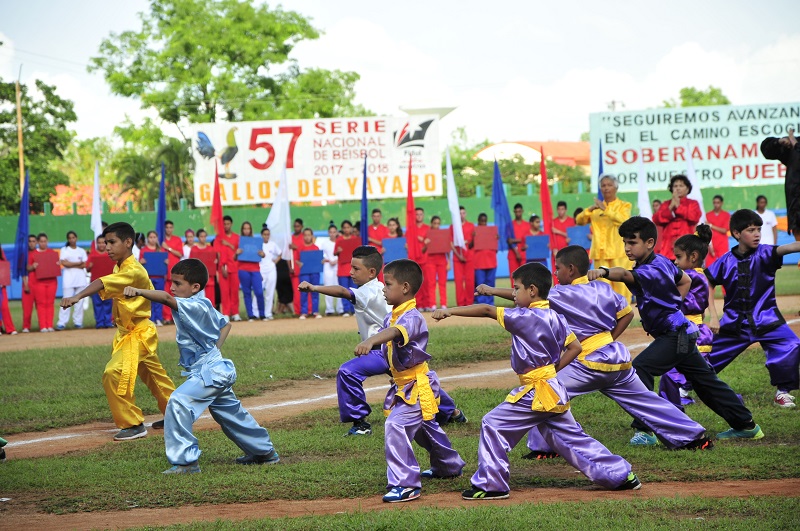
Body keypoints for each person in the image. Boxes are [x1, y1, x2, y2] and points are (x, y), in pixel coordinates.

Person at [434, 262, 641, 500]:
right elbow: (575, 347)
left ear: (532, 290)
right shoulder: (556, 316)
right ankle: (620, 474)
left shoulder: (526, 316)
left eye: (516, 288)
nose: (513, 293)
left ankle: (491, 485)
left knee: (492, 423)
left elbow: (487, 310)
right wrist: (555, 368)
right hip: (553, 386)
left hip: (537, 391)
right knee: (572, 437)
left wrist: (450, 310)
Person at [477, 246, 710, 453]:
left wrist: (492, 290)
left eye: (557, 269)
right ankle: (692, 436)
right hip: (616, 357)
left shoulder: (559, 293)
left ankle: (544, 447)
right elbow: (627, 313)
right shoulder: (604, 288)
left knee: (545, 387)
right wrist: (608, 338)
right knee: (645, 400)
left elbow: (527, 296)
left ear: (570, 269)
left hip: (587, 364)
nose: (555, 274)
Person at [591, 216, 764, 441]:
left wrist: (603, 271)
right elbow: (685, 281)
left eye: (632, 242)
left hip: (675, 335)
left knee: (641, 367)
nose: (627, 248)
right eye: (625, 242)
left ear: (650, 242)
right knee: (706, 383)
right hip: (680, 333)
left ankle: (645, 430)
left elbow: (624, 275)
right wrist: (674, 305)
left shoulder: (650, 269)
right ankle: (747, 425)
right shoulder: (662, 262)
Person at [122, 258, 279, 474]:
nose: (172, 287)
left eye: (178, 283)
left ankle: (186, 462)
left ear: (195, 287)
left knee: (178, 401)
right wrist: (214, 351)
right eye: (172, 282)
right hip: (213, 368)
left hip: (210, 371)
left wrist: (139, 291)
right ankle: (264, 453)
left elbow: (167, 298)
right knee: (229, 412)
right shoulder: (204, 302)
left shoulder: (194, 304)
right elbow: (226, 325)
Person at [299, 247, 466, 436]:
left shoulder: (368, 292)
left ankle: (360, 424)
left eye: (356, 268)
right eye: (351, 267)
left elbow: (343, 291)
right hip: (397, 350)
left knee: (347, 371)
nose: (350, 272)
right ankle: (452, 412)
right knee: (418, 382)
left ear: (371, 272)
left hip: (383, 350)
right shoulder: (381, 287)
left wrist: (314, 288)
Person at [354, 259, 466, 503]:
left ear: (405, 287)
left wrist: (371, 340)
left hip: (417, 385)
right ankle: (449, 465)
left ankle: (406, 484)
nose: (383, 289)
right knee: (426, 429)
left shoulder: (412, 317)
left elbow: (395, 333)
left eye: (388, 284)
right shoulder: (391, 316)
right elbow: (391, 347)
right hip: (404, 385)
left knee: (396, 425)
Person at [60, 222, 176, 441]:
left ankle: (133, 424)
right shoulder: (121, 266)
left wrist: (77, 296)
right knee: (154, 375)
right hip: (130, 333)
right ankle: (178, 414)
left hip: (138, 333)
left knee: (114, 373)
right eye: (105, 243)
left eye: (112, 242)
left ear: (128, 242)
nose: (107, 247)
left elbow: (102, 282)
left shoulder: (132, 270)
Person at [705, 209, 800, 409]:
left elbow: (790, 247)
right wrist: (713, 316)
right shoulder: (725, 261)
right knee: (706, 355)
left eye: (758, 229)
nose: (757, 234)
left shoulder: (766, 253)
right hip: (734, 324)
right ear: (737, 234)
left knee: (791, 344)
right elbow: (708, 282)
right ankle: (683, 388)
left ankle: (782, 393)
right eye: (751, 230)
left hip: (768, 321)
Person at [658, 226, 716, 409]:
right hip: (696, 330)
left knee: (671, 373)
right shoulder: (699, 275)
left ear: (693, 257)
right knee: (704, 377)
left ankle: (672, 405)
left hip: (691, 332)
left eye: (678, 257)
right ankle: (730, 401)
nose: (675, 261)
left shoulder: (690, 276)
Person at [576, 174, 633, 302]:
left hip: (618, 253)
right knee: (602, 289)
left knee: (621, 286)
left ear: (616, 188)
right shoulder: (595, 210)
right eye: (603, 185)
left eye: (609, 185)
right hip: (599, 254)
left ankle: (625, 315)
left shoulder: (624, 206)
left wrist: (605, 209)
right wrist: (590, 209)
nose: (606, 188)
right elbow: (579, 220)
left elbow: (625, 221)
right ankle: (606, 318)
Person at [761, 127, 800, 241]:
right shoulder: (793, 145)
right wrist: (779, 142)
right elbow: (766, 150)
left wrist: (795, 144)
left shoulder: (795, 144)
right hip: (797, 210)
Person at [652, 174, 702, 261]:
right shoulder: (666, 204)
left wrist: (678, 206)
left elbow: (694, 217)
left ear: (687, 189)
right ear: (671, 189)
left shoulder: (693, 203)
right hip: (668, 249)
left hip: (687, 246)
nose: (678, 188)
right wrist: (671, 206)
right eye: (675, 186)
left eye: (681, 186)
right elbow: (656, 219)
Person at [56, 231, 88, 331]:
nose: (72, 239)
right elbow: (64, 263)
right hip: (68, 279)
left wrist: (72, 263)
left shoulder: (81, 251)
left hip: (80, 279)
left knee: (80, 301)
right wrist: (77, 263)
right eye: (70, 238)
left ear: (76, 238)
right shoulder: (64, 250)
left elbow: (84, 264)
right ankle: (62, 322)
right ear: (68, 239)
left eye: (73, 237)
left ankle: (78, 322)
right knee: (66, 300)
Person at [29, 233, 59, 333]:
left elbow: (56, 266)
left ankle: (50, 325)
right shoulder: (34, 254)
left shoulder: (52, 253)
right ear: (38, 242)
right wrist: (33, 266)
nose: (43, 243)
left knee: (50, 303)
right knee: (41, 304)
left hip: (52, 281)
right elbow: (27, 268)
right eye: (41, 241)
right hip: (39, 282)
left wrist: (57, 264)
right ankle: (43, 326)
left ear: (47, 241)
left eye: (45, 241)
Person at [237, 221, 265, 321]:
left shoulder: (255, 241)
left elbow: (262, 255)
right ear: (242, 230)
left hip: (255, 269)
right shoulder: (239, 241)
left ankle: (262, 314)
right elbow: (234, 257)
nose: (246, 230)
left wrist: (262, 254)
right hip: (243, 269)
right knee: (247, 292)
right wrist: (237, 253)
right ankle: (250, 315)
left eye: (248, 228)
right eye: (244, 228)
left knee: (259, 292)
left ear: (251, 229)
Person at [215, 216, 242, 321]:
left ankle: (235, 312)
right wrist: (221, 267)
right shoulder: (219, 238)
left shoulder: (237, 237)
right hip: (223, 268)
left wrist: (229, 244)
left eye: (228, 224)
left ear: (231, 224)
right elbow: (217, 253)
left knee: (235, 291)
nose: (226, 226)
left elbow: (239, 251)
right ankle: (226, 312)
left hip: (235, 267)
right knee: (224, 292)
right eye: (224, 224)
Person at [86, 235, 114, 329]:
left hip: (108, 283)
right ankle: (99, 322)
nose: (101, 245)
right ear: (96, 244)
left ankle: (107, 321)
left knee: (108, 303)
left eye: (103, 242)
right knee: (97, 303)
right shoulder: (92, 255)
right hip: (95, 284)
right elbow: (87, 268)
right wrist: (89, 266)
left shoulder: (111, 254)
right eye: (99, 243)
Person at [140, 231, 166, 326]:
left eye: (154, 237)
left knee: (159, 299)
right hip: (148, 278)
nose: (153, 239)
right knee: (149, 299)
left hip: (159, 277)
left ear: (157, 238)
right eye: (151, 237)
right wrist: (141, 261)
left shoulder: (161, 250)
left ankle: (158, 318)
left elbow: (164, 264)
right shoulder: (144, 250)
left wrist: (165, 262)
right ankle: (151, 318)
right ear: (148, 238)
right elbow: (139, 265)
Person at [423, 215, 449, 310]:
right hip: (431, 261)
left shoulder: (443, 234)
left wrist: (449, 262)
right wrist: (426, 243)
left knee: (442, 282)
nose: (436, 225)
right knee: (431, 283)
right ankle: (432, 304)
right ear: (431, 224)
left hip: (442, 260)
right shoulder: (428, 234)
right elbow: (423, 250)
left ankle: (443, 303)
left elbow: (447, 249)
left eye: (438, 223)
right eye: (435, 223)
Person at [161, 220, 184, 325]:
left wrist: (168, 248)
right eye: (167, 227)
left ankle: (177, 317)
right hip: (164, 273)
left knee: (177, 296)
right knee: (166, 295)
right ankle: (166, 317)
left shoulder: (177, 239)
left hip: (176, 273)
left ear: (173, 228)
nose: (169, 229)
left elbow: (180, 254)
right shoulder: (161, 240)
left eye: (170, 227)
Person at [451, 206, 475, 307]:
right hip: (458, 259)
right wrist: (458, 255)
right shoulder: (453, 227)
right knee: (459, 281)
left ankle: (469, 302)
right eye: (460, 213)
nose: (462, 215)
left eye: (463, 213)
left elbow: (473, 242)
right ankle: (460, 304)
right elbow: (451, 243)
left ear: (466, 214)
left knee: (470, 281)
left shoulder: (471, 226)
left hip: (469, 257)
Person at [334, 220, 359, 316]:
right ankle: (345, 310)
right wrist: (338, 251)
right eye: (344, 227)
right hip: (342, 269)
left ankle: (353, 310)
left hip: (353, 269)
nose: (346, 229)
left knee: (353, 290)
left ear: (351, 228)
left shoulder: (355, 239)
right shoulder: (339, 240)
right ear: (342, 229)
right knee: (344, 290)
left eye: (348, 227)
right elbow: (334, 253)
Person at [296, 228, 322, 319]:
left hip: (315, 272)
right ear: (303, 236)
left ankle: (315, 311)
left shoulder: (316, 248)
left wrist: (321, 262)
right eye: (305, 235)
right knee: (304, 292)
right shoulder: (300, 248)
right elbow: (296, 260)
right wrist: (299, 263)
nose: (307, 237)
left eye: (309, 235)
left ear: (312, 236)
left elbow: (319, 260)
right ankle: (304, 312)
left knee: (315, 291)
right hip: (304, 273)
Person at [318, 223, 343, 316]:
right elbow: (322, 255)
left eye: (334, 232)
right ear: (328, 233)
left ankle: (340, 309)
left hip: (338, 265)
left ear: (337, 232)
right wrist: (326, 260)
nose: (332, 234)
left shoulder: (339, 242)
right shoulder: (324, 243)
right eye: (330, 232)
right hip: (328, 266)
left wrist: (336, 260)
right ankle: (329, 309)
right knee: (328, 286)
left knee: (339, 286)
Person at [472, 213, 497, 304]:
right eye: (481, 221)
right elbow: (470, 246)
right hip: (479, 263)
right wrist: (473, 237)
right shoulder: (475, 232)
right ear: (478, 222)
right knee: (480, 284)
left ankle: (490, 303)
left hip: (491, 261)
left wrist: (495, 239)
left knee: (490, 283)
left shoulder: (491, 232)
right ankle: (480, 303)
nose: (483, 223)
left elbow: (496, 249)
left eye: (485, 221)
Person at [412, 208, 433, 310]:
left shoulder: (428, 228)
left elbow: (433, 242)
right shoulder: (411, 229)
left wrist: (425, 240)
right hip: (414, 260)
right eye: (417, 214)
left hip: (427, 259)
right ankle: (419, 304)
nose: (419, 216)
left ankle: (428, 304)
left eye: (420, 214)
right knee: (416, 282)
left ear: (423, 215)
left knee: (427, 282)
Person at [190, 229, 217, 305]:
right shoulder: (194, 249)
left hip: (209, 277)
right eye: (201, 236)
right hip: (197, 278)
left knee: (210, 299)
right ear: (198, 237)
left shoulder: (211, 249)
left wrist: (215, 262)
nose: (203, 238)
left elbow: (214, 261)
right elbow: (191, 263)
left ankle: (210, 315)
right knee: (198, 299)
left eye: (205, 236)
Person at [259, 226, 281, 320]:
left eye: (268, 234)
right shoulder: (259, 244)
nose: (266, 236)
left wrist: (275, 262)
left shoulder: (273, 244)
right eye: (264, 234)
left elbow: (280, 253)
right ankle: (257, 312)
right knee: (259, 292)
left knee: (270, 292)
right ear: (261, 235)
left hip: (271, 270)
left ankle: (268, 313)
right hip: (261, 270)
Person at [705, 195, 731, 267]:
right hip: (711, 245)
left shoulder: (726, 215)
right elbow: (706, 232)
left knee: (723, 266)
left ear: (722, 203)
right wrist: (709, 246)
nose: (716, 205)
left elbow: (724, 230)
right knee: (709, 268)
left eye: (718, 203)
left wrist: (711, 225)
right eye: (714, 203)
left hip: (722, 245)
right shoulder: (708, 215)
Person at [507, 203, 529, 285]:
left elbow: (527, 239)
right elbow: (509, 241)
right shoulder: (510, 225)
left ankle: (524, 297)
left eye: (519, 211)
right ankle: (514, 297)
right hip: (512, 255)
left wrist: (515, 240)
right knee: (513, 278)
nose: (518, 213)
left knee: (525, 278)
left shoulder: (527, 225)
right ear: (514, 212)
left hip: (524, 254)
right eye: (516, 212)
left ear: (522, 211)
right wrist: (518, 242)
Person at [21, 235, 37, 332]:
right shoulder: (24, 255)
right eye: (29, 241)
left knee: (41, 306)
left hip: (39, 283)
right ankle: (26, 326)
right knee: (27, 307)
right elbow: (23, 270)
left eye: (33, 241)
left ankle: (44, 325)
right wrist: (25, 284)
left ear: (36, 242)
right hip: (28, 282)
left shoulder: (40, 253)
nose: (31, 243)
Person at [289, 218, 305, 316]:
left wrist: (296, 248)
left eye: (298, 226)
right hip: (294, 269)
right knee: (296, 291)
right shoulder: (290, 238)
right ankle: (297, 311)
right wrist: (289, 267)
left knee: (306, 290)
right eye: (295, 226)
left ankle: (307, 310)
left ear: (302, 227)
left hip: (304, 268)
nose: (296, 228)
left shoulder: (305, 237)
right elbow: (286, 255)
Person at [0, 246, 17, 334]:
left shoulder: (2, 261)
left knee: (4, 307)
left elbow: (5, 274)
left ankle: (10, 328)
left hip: (2, 288)